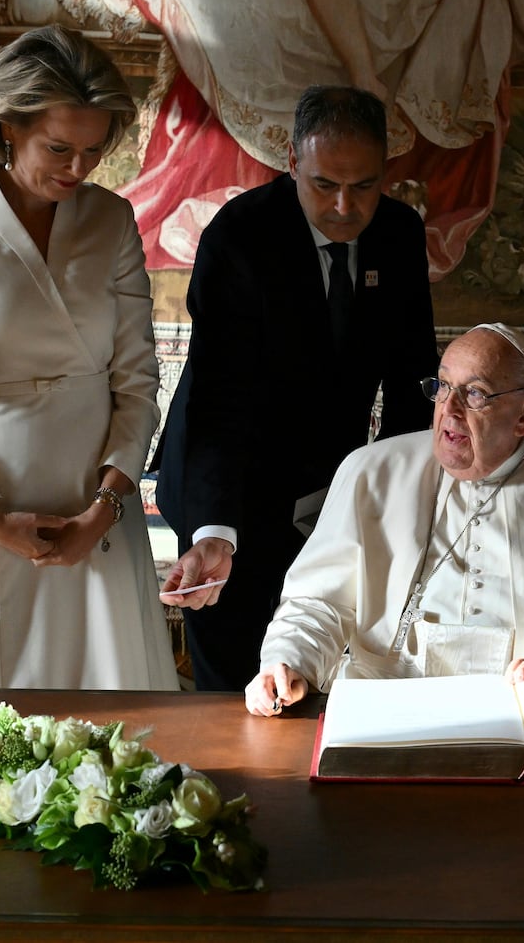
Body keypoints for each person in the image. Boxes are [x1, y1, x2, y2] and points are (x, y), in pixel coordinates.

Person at [0, 24, 177, 690]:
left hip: (93, 506)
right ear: (7, 126)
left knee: (108, 720)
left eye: (94, 151)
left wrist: (103, 509)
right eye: (59, 148)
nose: (78, 169)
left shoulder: (112, 219)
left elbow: (137, 383)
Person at [154, 84, 438, 691]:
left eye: (363, 185)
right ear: (291, 162)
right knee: (235, 681)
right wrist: (214, 532)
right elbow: (218, 394)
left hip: (329, 489)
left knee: (322, 672)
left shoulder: (398, 234)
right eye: (324, 184)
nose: (343, 205)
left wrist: (396, 499)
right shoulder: (241, 236)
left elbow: (412, 382)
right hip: (230, 483)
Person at [237, 323, 524, 716]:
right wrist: (290, 661)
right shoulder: (371, 472)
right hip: (377, 714)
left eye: (476, 393)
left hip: (516, 723)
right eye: (442, 386)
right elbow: (318, 603)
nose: (449, 409)